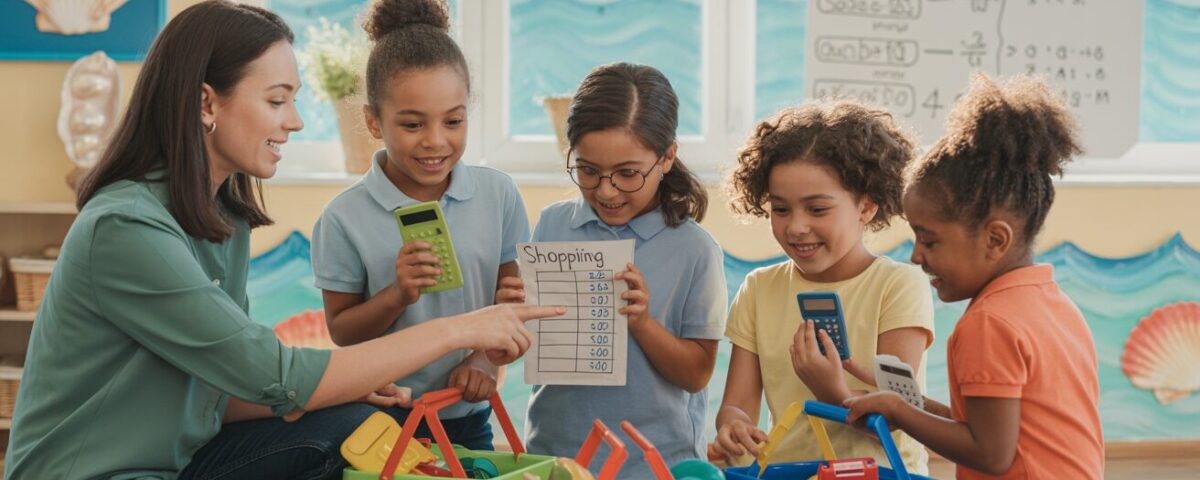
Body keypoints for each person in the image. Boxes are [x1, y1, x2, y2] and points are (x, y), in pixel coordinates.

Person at [2, 2, 560, 478]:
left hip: (176, 459)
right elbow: (275, 374)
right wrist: (462, 329)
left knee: (356, 426)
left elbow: (221, 391)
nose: (294, 122)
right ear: (206, 104)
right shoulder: (126, 228)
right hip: (100, 471)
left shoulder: (221, 221)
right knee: (349, 431)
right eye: (276, 100)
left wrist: (343, 390)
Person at [845, 74, 1103, 479]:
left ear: (995, 239)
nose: (915, 255)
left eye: (929, 241)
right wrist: (911, 408)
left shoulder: (988, 323)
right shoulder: (1052, 303)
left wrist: (898, 410)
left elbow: (990, 452)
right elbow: (993, 429)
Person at [310, 0, 531, 451]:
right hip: (377, 420)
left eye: (454, 121)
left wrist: (485, 361)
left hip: (467, 417)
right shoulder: (343, 218)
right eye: (412, 124)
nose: (435, 140)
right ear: (373, 121)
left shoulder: (499, 195)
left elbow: (511, 306)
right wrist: (397, 294)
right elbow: (343, 332)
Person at [507, 63, 727, 479]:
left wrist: (642, 322)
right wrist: (511, 313)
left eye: (628, 174)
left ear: (667, 158)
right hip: (557, 456)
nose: (606, 191)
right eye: (588, 170)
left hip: (655, 463)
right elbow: (535, 342)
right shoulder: (552, 225)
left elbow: (697, 374)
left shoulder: (695, 250)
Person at [713, 99, 934, 474]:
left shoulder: (898, 285)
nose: (796, 227)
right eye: (781, 209)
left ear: (866, 207)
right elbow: (737, 405)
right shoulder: (758, 289)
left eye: (817, 210)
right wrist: (733, 426)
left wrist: (832, 392)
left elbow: (902, 414)